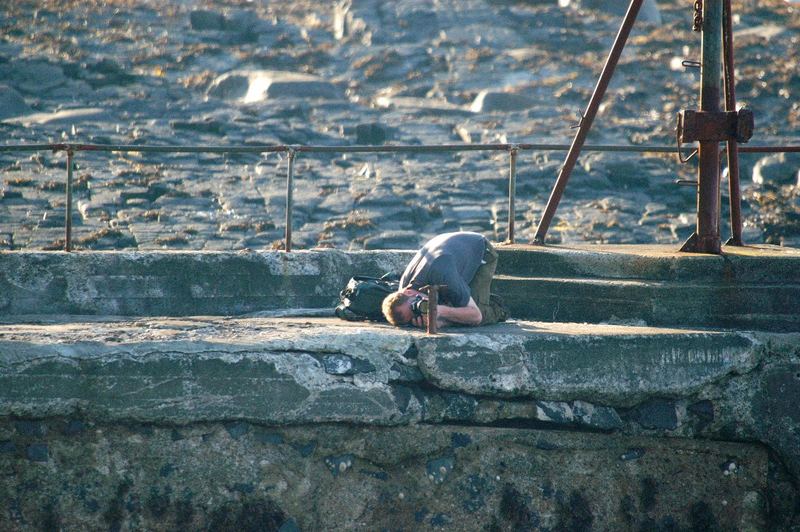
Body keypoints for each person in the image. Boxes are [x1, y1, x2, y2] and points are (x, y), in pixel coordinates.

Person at [382, 231, 508, 328]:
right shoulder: (404, 288)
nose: (419, 310)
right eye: (413, 317)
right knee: (455, 308)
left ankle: (499, 309)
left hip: (480, 248)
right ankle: (464, 295)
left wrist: (439, 313)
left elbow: (476, 316)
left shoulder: (442, 272)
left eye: (414, 306)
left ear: (408, 292)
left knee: (472, 318)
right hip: (447, 246)